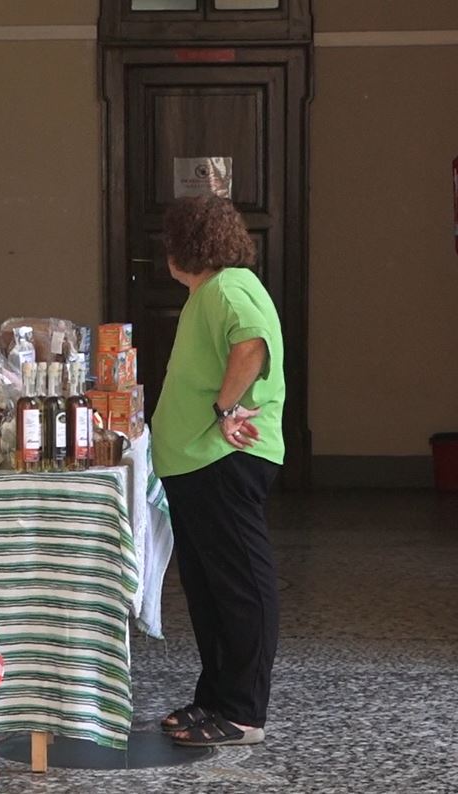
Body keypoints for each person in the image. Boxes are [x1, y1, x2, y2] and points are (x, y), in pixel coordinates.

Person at [151, 195, 285, 748]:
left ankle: (243, 712)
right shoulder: (212, 291)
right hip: (197, 463)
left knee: (240, 588)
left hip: (224, 460)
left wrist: (226, 409)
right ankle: (215, 698)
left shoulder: (229, 287)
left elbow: (250, 348)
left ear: (183, 248)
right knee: (209, 591)